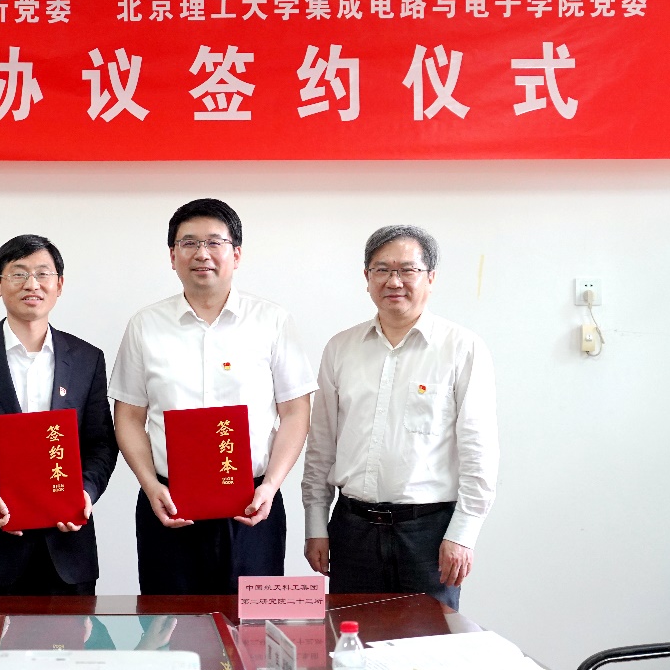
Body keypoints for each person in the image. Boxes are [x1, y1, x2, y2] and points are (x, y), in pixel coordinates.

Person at [109, 198, 317, 595]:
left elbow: (295, 411)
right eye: (188, 243)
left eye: (214, 242)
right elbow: (129, 417)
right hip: (167, 503)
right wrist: (150, 485)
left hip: (253, 503)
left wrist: (271, 486)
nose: (201, 254)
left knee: (251, 624)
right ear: (172, 256)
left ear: (236, 254)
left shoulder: (272, 321)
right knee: (169, 623)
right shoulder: (145, 325)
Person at [302, 225, 498, 610]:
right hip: (352, 530)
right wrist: (316, 524)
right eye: (382, 270)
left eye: (408, 270)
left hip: (429, 534)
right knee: (350, 639)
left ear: (430, 277)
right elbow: (321, 445)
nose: (394, 281)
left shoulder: (462, 349)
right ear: (367, 277)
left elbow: (479, 450)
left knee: (428, 641)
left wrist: (463, 534)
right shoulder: (341, 348)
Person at [0, 234, 117, 595]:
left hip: (68, 553)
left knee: (69, 635)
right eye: (19, 273)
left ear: (59, 285)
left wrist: (85, 492)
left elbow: (102, 443)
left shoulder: (87, 359)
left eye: (43, 274)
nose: (32, 284)